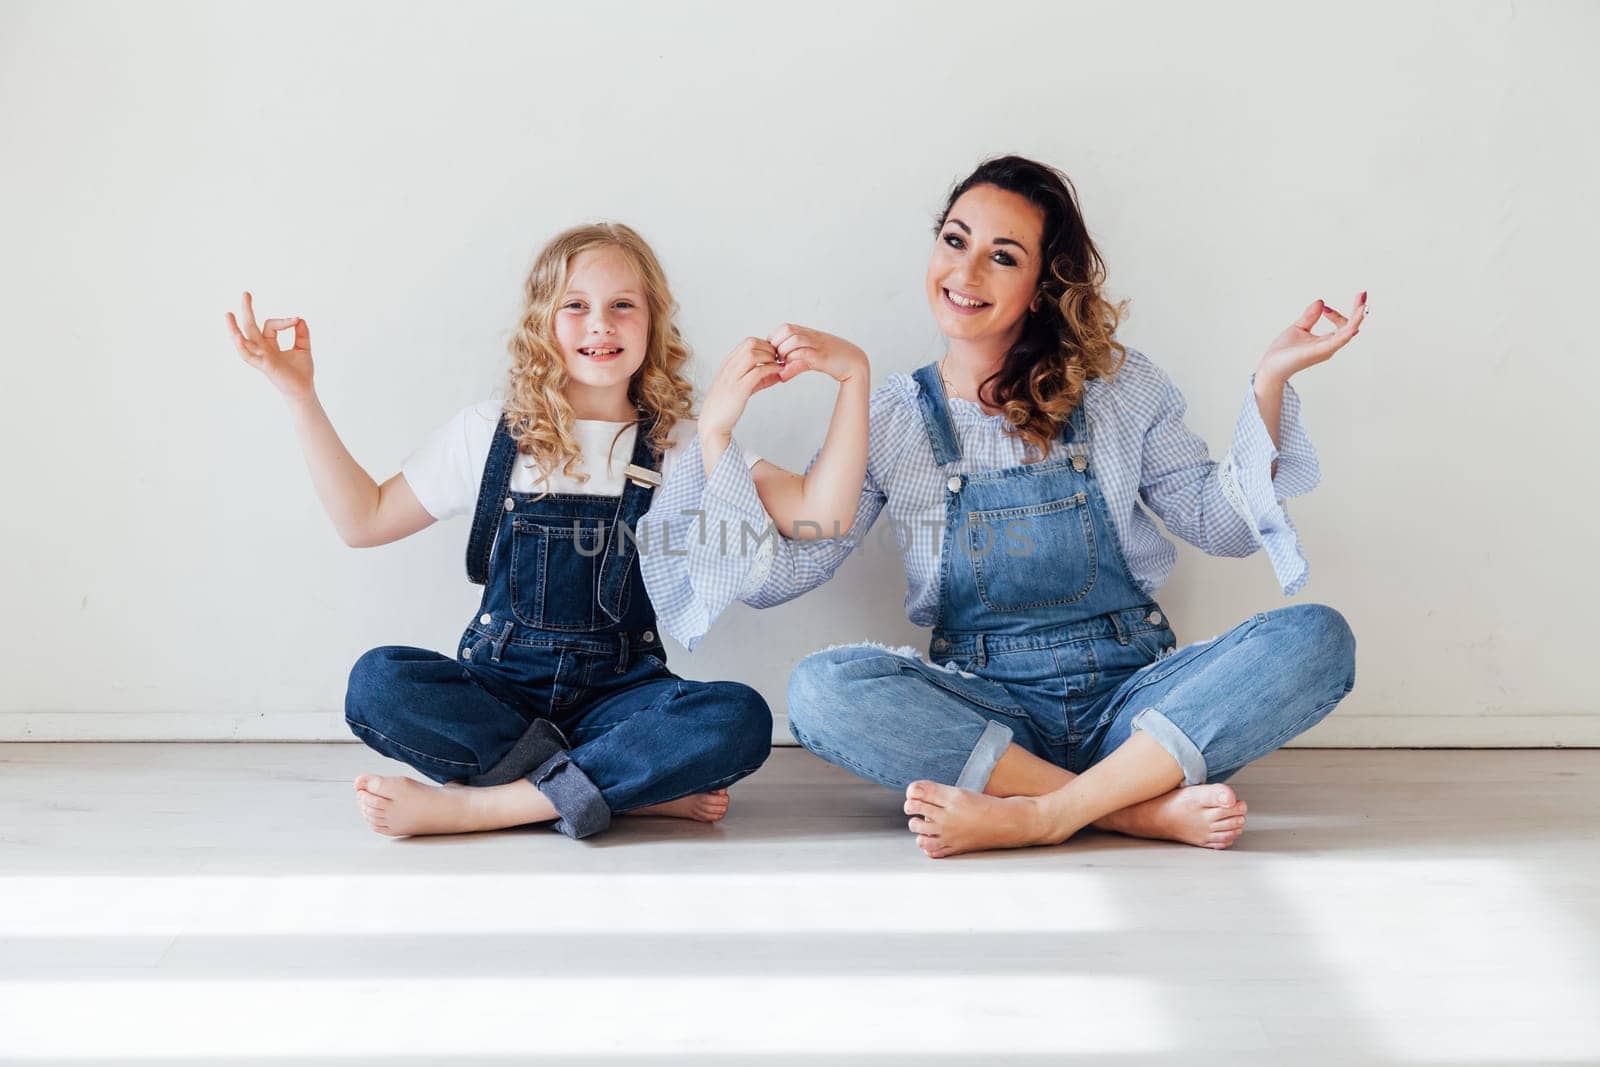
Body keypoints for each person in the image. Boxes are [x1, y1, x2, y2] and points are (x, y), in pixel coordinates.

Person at [642, 155, 1363, 858]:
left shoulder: (1117, 387)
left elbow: (1224, 524)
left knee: (1318, 638)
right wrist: (717, 440)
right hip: (991, 719)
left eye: (1003, 256)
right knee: (820, 691)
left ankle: (1050, 813)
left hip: (1135, 703)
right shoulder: (896, 414)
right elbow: (784, 575)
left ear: (1044, 287)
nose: (965, 272)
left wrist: (1268, 381)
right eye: (955, 240)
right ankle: (1130, 809)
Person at [226, 222, 780, 840]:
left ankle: (484, 807)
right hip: (500, 696)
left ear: (653, 323)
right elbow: (364, 521)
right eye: (576, 306)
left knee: (739, 716)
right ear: (543, 323)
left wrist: (820, 386)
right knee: (378, 682)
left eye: (623, 305)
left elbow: (815, 513)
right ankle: (620, 789)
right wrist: (300, 396)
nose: (601, 323)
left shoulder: (681, 444)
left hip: (620, 700)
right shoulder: (490, 433)